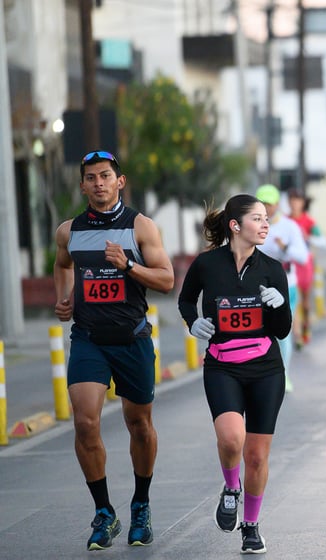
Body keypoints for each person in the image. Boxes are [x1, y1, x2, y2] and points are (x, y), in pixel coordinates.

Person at [53, 150, 175, 550]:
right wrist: (64, 298)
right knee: (86, 424)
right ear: (84, 185)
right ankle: (104, 512)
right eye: (91, 177)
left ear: (119, 181)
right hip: (89, 339)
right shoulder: (69, 230)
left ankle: (141, 503)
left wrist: (127, 267)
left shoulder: (141, 227)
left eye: (106, 176)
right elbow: (63, 264)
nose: (99, 183)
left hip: (132, 338)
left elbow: (166, 280)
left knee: (138, 424)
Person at [178, 194, 292, 554]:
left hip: (265, 368)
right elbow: (185, 299)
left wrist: (279, 305)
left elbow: (283, 329)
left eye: (266, 218)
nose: (265, 224)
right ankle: (231, 487)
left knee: (256, 455)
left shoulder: (273, 268)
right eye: (257, 219)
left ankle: (252, 526)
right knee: (231, 440)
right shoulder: (207, 264)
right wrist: (193, 321)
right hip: (222, 365)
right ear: (235, 225)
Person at [255, 184, 309, 392]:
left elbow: (303, 256)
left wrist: (285, 248)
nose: (266, 208)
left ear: (278, 204)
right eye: (262, 203)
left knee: (282, 332)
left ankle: (283, 374)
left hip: (286, 284)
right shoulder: (251, 225)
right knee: (259, 330)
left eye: (269, 203)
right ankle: (263, 374)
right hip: (257, 286)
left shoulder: (289, 227)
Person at [287, 188, 326, 348]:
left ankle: (306, 326)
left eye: (297, 200)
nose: (294, 203)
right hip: (290, 266)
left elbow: (323, 241)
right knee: (293, 301)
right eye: (291, 200)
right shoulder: (285, 221)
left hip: (306, 265)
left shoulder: (309, 221)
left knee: (305, 302)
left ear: (303, 203)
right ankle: (296, 335)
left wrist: (308, 237)